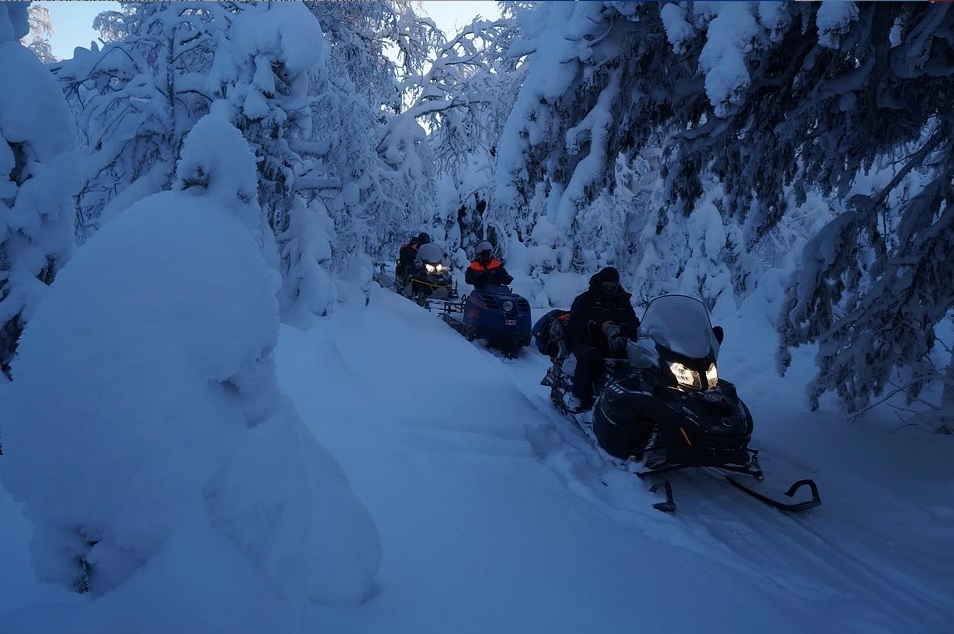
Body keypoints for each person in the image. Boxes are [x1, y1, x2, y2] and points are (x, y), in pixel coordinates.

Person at [565, 266, 640, 412]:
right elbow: (575, 322)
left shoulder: (623, 301)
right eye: (606, 286)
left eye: (613, 287)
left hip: (614, 340)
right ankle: (577, 397)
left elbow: (633, 320)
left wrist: (631, 328)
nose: (610, 290)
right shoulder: (585, 299)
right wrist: (597, 326)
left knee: (638, 360)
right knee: (590, 356)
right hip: (586, 339)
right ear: (600, 283)